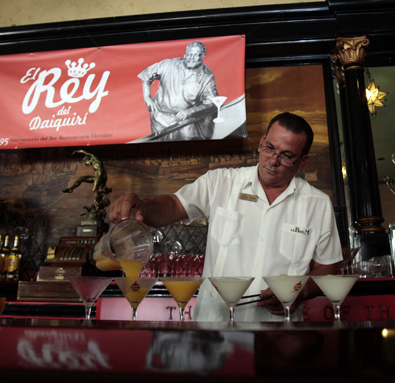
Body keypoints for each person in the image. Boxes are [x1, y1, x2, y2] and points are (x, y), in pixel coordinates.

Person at [108, 112, 342, 321]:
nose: (273, 160)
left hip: (279, 334)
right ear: (261, 142)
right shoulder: (220, 182)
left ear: (302, 162)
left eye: (286, 156)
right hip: (214, 327)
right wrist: (143, 206)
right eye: (269, 148)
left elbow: (327, 268)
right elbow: (173, 205)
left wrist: (301, 291)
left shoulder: (318, 203)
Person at [138, 41, 218, 141]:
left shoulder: (207, 77)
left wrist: (191, 111)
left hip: (184, 122)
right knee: (160, 149)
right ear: (184, 54)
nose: (191, 58)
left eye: (195, 55)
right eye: (189, 54)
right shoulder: (168, 64)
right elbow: (146, 75)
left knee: (182, 150)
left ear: (202, 56)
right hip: (159, 118)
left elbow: (211, 102)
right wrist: (147, 98)